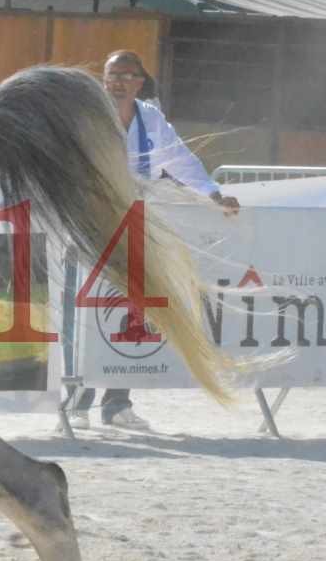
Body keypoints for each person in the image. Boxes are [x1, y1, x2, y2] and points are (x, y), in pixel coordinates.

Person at [65, 50, 241, 433]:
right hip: (91, 221)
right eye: (111, 74)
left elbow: (179, 160)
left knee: (133, 307)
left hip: (136, 221)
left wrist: (212, 194)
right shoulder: (86, 112)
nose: (116, 81)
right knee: (87, 307)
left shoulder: (150, 118)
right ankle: (77, 399)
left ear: (139, 82)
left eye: (126, 75)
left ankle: (117, 402)